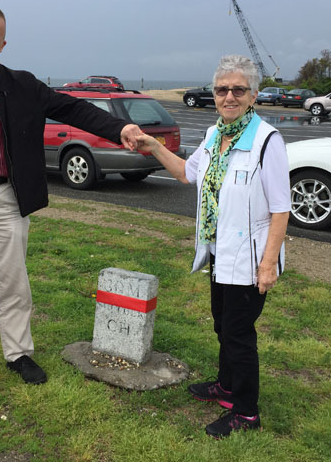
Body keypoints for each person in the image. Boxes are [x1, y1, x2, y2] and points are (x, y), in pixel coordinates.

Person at [0, 3, 143, 396]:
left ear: (4, 43)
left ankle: (18, 353)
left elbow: (72, 106)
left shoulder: (22, 85)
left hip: (6, 197)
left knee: (14, 284)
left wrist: (120, 127)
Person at [135, 55, 290, 438]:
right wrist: (154, 145)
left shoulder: (267, 141)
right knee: (223, 324)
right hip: (220, 255)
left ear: (253, 95)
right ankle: (225, 386)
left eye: (239, 89)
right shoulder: (213, 135)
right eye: (222, 89)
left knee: (239, 333)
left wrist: (268, 264)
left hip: (251, 260)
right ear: (214, 94)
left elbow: (281, 209)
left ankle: (246, 411)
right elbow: (186, 173)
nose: (229, 96)